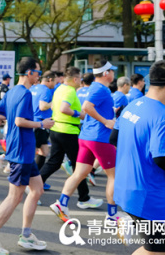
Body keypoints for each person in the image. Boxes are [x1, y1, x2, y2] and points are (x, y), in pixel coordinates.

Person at [0, 57, 54, 255]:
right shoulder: (25, 94)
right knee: (14, 197)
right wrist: (41, 124)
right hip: (21, 151)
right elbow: (20, 121)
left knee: (37, 190)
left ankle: (26, 236)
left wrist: (10, 120)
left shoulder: (12, 91)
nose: (39, 75)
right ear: (29, 72)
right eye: (38, 72)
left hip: (25, 151)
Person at [112, 60, 165, 255]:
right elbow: (161, 159)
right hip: (148, 195)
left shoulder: (133, 105)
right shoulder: (164, 115)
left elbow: (114, 137)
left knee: (153, 249)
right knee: (160, 251)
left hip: (125, 189)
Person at [49, 59, 118, 224]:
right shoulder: (101, 89)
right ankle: (112, 215)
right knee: (114, 176)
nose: (114, 74)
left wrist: (111, 112)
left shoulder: (94, 87)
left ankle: (62, 204)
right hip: (99, 138)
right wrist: (106, 121)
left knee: (79, 173)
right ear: (106, 73)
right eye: (112, 71)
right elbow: (87, 107)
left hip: (86, 137)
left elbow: (91, 107)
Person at [38, 67, 101, 210]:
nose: (81, 81)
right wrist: (80, 114)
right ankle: (84, 198)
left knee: (55, 162)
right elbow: (64, 108)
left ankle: (35, 184)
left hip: (56, 129)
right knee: (79, 165)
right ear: (75, 79)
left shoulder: (59, 89)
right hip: (68, 131)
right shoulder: (70, 91)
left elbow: (55, 107)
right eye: (79, 78)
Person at [30, 71, 55, 173]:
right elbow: (43, 106)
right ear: (49, 80)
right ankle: (29, 178)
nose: (55, 84)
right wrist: (54, 104)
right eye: (54, 81)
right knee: (31, 153)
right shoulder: (45, 90)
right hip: (40, 124)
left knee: (44, 151)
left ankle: (37, 177)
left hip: (34, 122)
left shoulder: (34, 88)